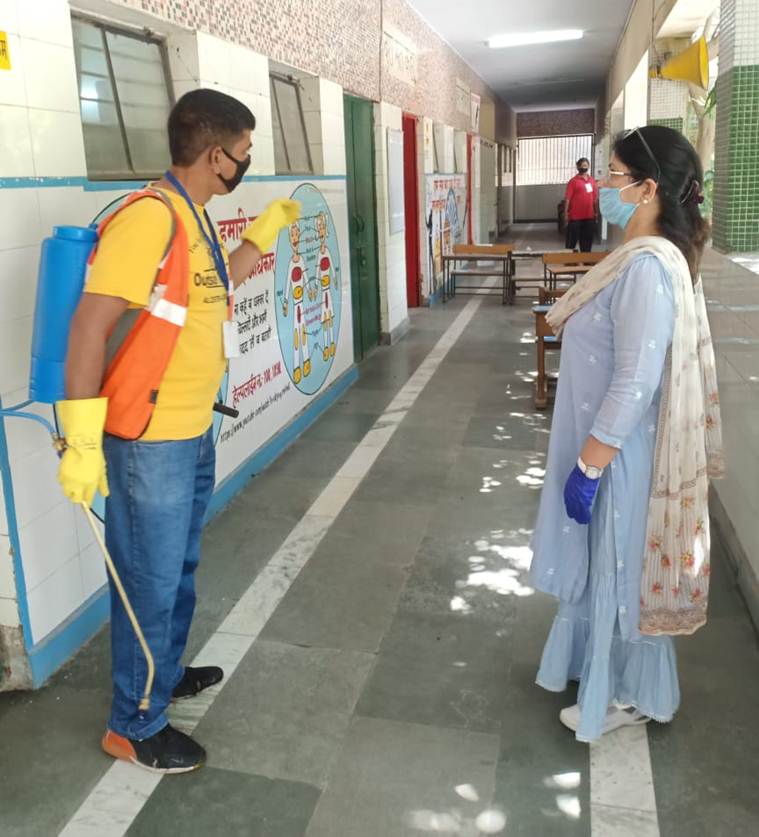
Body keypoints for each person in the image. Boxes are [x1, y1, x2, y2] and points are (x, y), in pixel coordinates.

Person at [56, 89, 300, 772]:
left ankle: (160, 674)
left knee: (176, 571)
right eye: (244, 151)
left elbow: (214, 288)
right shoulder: (151, 218)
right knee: (148, 580)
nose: (246, 162)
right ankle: (133, 723)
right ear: (217, 155)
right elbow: (90, 326)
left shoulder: (193, 216)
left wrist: (262, 235)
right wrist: (81, 439)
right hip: (148, 441)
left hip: (190, 432)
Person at [529, 126, 723, 742]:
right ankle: (600, 670)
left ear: (646, 188)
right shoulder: (641, 257)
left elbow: (635, 380)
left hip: (619, 452)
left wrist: (589, 466)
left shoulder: (648, 269)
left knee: (619, 567)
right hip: (610, 445)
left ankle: (631, 696)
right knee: (604, 565)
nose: (605, 185)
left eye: (614, 175)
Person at [563, 157, 598, 252]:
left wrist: (596, 212)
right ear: (578, 167)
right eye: (582, 166)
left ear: (589, 166)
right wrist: (565, 214)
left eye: (585, 165)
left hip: (589, 217)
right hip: (575, 218)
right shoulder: (573, 181)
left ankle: (585, 258)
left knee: (587, 242)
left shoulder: (592, 181)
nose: (584, 167)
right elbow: (567, 199)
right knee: (571, 243)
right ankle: (569, 259)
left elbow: (595, 199)